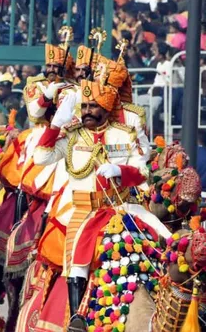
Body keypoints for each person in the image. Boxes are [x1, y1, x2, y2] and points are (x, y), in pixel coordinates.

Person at [34, 79, 169, 330]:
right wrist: (54, 125)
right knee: (77, 263)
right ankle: (77, 319)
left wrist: (120, 169)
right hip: (83, 211)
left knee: (164, 239)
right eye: (84, 106)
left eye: (93, 106)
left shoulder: (124, 134)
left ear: (106, 109)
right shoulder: (72, 137)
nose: (87, 111)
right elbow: (40, 156)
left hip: (120, 207)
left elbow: (142, 172)